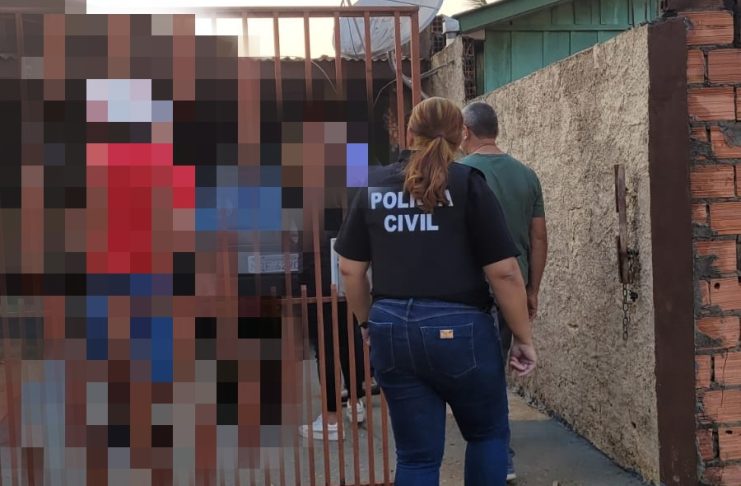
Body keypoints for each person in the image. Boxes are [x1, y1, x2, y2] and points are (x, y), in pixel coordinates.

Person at [333, 97, 537, 486]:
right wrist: (523, 338)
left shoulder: (373, 186)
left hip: (392, 328)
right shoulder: (468, 184)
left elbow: (350, 268)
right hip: (462, 329)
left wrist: (366, 323)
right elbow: (505, 272)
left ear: (409, 133)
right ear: (461, 135)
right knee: (487, 436)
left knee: (416, 457)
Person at [459, 101, 548, 481]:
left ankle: (496, 453)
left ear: (465, 132)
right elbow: (539, 236)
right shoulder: (526, 175)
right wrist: (532, 289)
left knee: (475, 374)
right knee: (495, 371)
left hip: (469, 290)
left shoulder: (460, 174)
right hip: (513, 289)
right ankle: (498, 451)